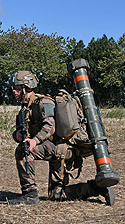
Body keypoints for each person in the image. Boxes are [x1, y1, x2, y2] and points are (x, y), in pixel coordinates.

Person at [8, 70, 114, 205]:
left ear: (26, 87)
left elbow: (49, 127)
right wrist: (17, 135)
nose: (14, 92)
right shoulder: (25, 110)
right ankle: (96, 188)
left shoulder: (43, 102)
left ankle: (29, 194)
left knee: (23, 150)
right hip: (54, 148)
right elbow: (20, 132)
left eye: (17, 89)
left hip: (62, 148)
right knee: (56, 194)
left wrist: (34, 141)